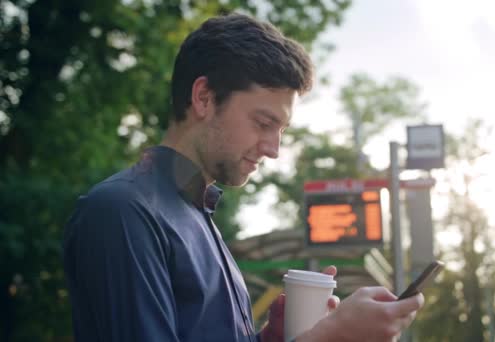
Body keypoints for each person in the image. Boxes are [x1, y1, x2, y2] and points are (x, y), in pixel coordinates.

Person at [63, 13, 424, 342]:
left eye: (281, 130)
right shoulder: (122, 212)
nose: (273, 149)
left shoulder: (198, 217)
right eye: (264, 123)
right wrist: (330, 337)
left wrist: (272, 338)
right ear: (204, 97)